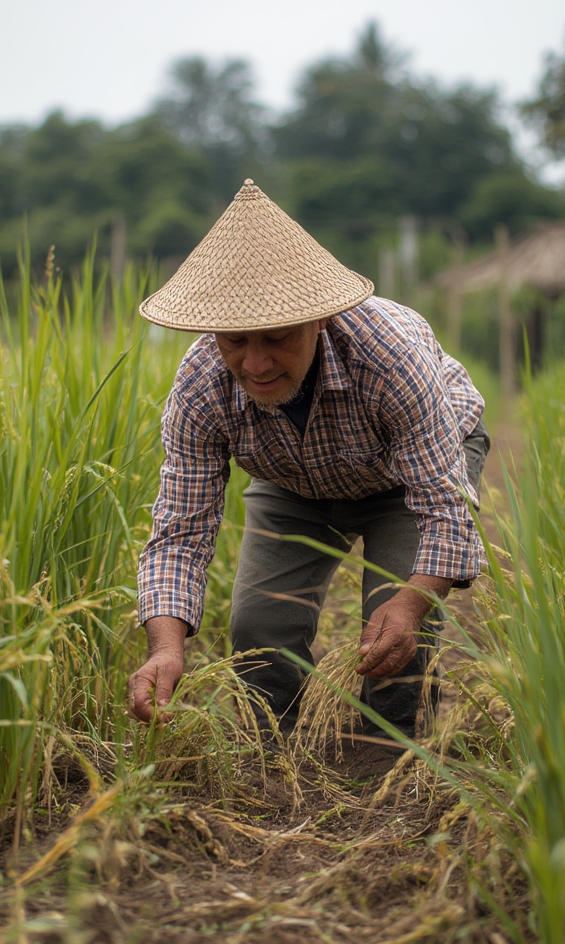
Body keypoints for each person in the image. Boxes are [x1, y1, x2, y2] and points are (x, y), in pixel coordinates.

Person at [129, 179, 489, 738]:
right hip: (293, 483)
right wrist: (165, 649)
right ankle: (274, 758)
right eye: (234, 342)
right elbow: (180, 531)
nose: (255, 364)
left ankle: (389, 761)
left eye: (276, 338)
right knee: (258, 632)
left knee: (393, 636)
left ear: (319, 318)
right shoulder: (201, 387)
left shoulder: (390, 356)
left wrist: (412, 605)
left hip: (404, 480)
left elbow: (444, 507)